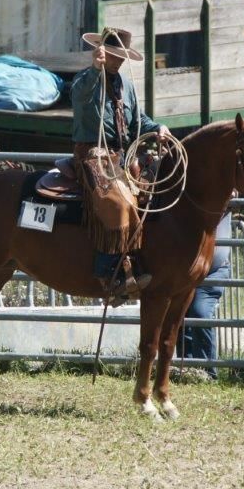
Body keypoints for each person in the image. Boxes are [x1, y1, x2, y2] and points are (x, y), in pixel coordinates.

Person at [71, 27, 171, 301]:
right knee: (116, 200)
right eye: (114, 56)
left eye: (121, 57)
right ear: (103, 52)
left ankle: (134, 262)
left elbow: (138, 120)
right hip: (91, 152)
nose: (118, 61)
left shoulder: (126, 85)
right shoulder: (86, 79)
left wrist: (158, 127)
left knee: (148, 195)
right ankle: (107, 272)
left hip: (120, 155)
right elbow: (80, 97)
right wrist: (95, 69)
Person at [178, 213, 232, 379]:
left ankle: (207, 372)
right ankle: (186, 369)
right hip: (185, 271)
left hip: (214, 271)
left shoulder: (222, 199)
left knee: (199, 312)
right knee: (180, 313)